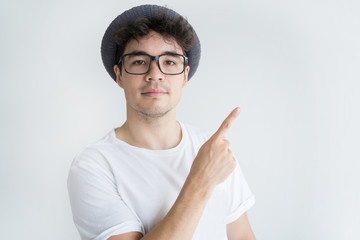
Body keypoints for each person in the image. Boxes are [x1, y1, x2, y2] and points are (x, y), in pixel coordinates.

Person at [67, 4, 255, 240]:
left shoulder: (213, 148)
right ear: (119, 75)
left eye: (169, 62)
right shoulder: (94, 165)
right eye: (138, 62)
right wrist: (201, 181)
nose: (155, 74)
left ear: (184, 76)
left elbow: (243, 237)